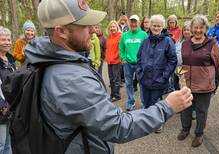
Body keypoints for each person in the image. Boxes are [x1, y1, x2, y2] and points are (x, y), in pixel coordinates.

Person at [25, 1, 193, 153]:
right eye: (85, 25)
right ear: (61, 31)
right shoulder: (71, 80)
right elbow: (118, 126)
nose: (93, 30)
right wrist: (167, 107)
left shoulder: (52, 58)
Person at [177, 15, 219, 147]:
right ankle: (185, 129)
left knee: (201, 111)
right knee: (185, 108)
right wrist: (180, 80)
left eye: (201, 27)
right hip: (187, 84)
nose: (198, 30)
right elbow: (180, 64)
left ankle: (199, 133)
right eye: (195, 27)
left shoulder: (212, 44)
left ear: (205, 28)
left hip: (204, 86)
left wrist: (214, 83)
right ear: (191, 28)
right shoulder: (185, 44)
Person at [136, 14, 177, 111]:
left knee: (155, 105)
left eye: (159, 26)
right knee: (146, 103)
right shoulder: (145, 41)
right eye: (154, 25)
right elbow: (139, 58)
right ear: (150, 26)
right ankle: (148, 124)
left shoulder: (168, 41)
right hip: (144, 80)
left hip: (159, 81)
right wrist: (139, 73)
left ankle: (156, 124)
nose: (156, 28)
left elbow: (173, 60)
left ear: (162, 27)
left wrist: (164, 76)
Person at [119, 15, 148, 111]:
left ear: (138, 23)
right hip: (127, 63)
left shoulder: (144, 35)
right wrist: (123, 58)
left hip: (140, 64)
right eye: (131, 22)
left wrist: (145, 61)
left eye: (135, 22)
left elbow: (147, 49)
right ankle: (131, 101)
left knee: (142, 83)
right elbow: (121, 48)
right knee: (128, 83)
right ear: (129, 23)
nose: (133, 24)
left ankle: (144, 102)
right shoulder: (125, 35)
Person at [0, 26, 16, 154]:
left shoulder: (11, 60)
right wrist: (2, 105)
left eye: (8, 39)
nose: (7, 42)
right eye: (3, 39)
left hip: (11, 108)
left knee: (8, 144)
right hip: (2, 109)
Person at [105, 20, 122, 102]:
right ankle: (112, 94)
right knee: (111, 79)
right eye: (111, 27)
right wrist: (107, 57)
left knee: (116, 79)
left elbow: (120, 49)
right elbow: (107, 49)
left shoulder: (120, 36)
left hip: (116, 61)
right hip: (109, 61)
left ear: (117, 27)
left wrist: (115, 57)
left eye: (113, 26)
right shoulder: (109, 37)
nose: (112, 28)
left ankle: (117, 95)